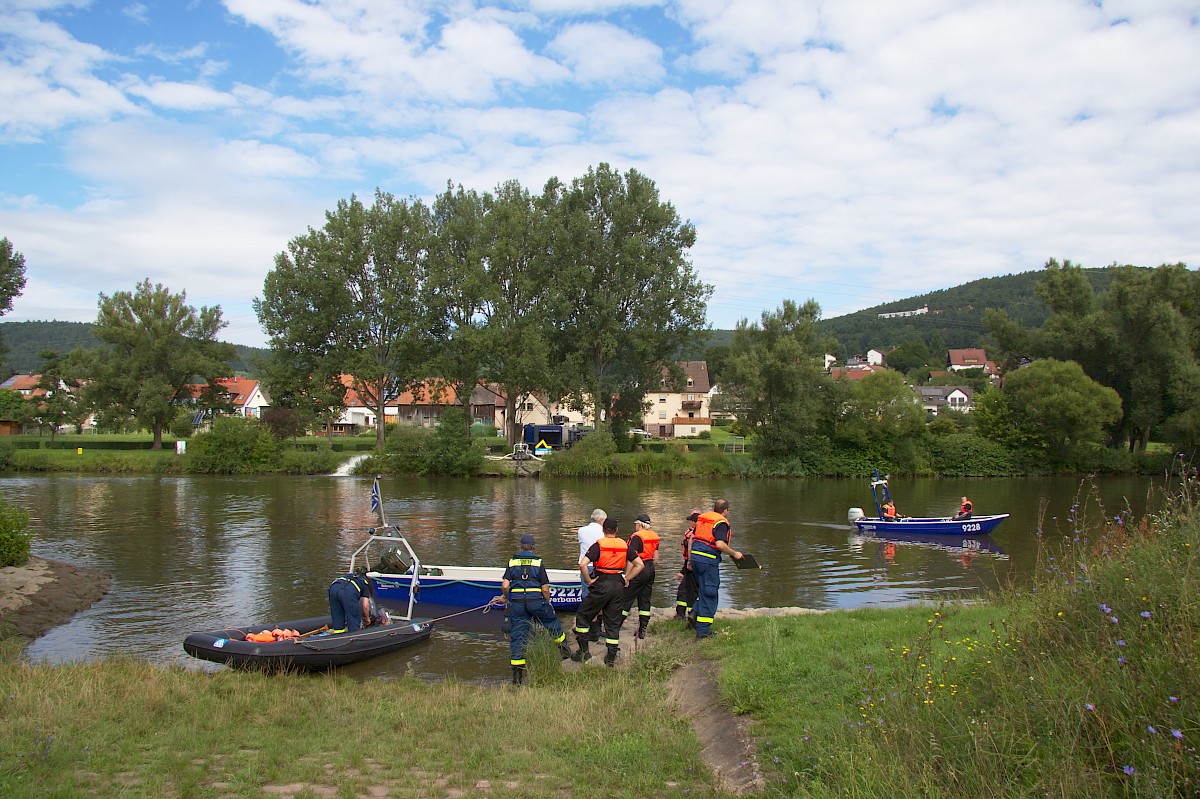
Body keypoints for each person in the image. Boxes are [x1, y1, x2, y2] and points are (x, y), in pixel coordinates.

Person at [500, 534, 572, 686]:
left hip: (518, 604)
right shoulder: (538, 563)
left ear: (520, 546)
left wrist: (506, 598)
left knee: (518, 635)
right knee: (552, 624)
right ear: (533, 547)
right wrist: (548, 602)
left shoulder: (512, 562)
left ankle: (517, 677)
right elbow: (545, 588)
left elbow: (505, 586)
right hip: (536, 602)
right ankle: (564, 651)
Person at [572, 518, 643, 666]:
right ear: (616, 530)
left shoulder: (599, 545)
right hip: (618, 584)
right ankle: (610, 657)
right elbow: (639, 564)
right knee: (612, 621)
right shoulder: (624, 545)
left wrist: (589, 581)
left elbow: (583, 564)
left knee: (583, 615)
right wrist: (626, 578)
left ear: (603, 530)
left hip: (602, 583)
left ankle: (584, 652)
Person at [689, 499, 743, 640]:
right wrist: (734, 553)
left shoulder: (703, 519)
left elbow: (692, 538)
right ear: (725, 511)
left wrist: (689, 559)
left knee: (702, 589)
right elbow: (719, 544)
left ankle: (694, 612)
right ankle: (703, 632)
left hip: (695, 558)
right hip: (708, 560)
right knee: (710, 593)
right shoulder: (721, 522)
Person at [619, 513, 661, 639]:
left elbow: (632, 559)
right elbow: (656, 558)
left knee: (626, 598)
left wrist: (627, 577)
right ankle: (642, 630)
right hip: (650, 568)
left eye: (636, 524)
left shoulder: (636, 537)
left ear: (639, 524)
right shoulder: (654, 536)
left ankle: (615, 626)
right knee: (645, 600)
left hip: (639, 568)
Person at [675, 509, 701, 623]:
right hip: (694, 567)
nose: (690, 523)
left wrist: (683, 571)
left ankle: (685, 615)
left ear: (695, 522)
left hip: (690, 568)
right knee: (689, 591)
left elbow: (688, 556)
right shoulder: (698, 534)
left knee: (685, 591)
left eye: (691, 521)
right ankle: (687, 614)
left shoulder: (692, 535)